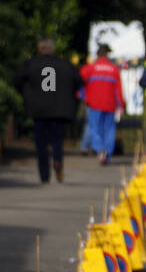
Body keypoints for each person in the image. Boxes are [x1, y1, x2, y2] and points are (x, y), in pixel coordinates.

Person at [13, 38, 81, 184]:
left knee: (41, 144)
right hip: (58, 109)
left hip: (39, 110)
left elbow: (17, 81)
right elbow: (78, 81)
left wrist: (27, 94)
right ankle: (57, 160)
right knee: (57, 140)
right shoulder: (64, 64)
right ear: (52, 49)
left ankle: (44, 175)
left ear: (40, 49)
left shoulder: (31, 64)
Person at [80, 45, 124, 165]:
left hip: (94, 104)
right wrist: (121, 105)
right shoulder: (114, 69)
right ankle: (107, 154)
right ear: (107, 55)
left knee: (95, 128)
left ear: (97, 55)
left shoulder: (89, 68)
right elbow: (118, 90)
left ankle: (100, 150)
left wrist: (83, 97)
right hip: (110, 104)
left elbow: (79, 84)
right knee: (109, 130)